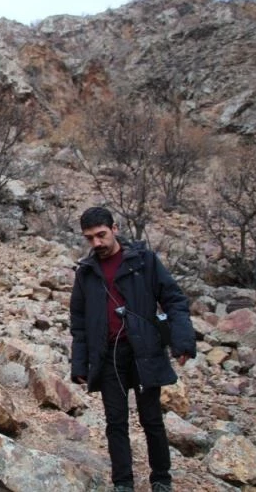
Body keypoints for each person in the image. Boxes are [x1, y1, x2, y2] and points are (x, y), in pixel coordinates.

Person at [69, 207, 196, 492]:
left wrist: (182, 341)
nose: (96, 243)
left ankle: (161, 479)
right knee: (116, 422)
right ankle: (123, 483)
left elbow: (174, 300)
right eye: (89, 238)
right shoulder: (87, 273)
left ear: (115, 228)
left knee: (151, 419)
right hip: (108, 355)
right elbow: (78, 322)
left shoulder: (145, 262)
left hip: (144, 352)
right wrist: (80, 364)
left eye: (101, 235)